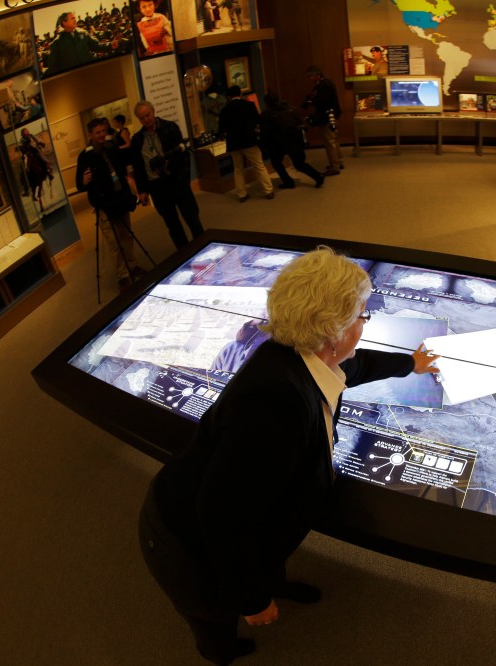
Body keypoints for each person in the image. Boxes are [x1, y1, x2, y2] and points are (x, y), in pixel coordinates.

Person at [138, 246, 441, 665]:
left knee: (260, 552)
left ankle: (267, 580)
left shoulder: (297, 351)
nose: (364, 324)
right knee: (212, 616)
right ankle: (219, 647)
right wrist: (251, 600)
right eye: (361, 316)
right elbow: (223, 518)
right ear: (334, 332)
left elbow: (351, 367)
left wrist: (409, 364)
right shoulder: (273, 407)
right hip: (184, 543)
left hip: (231, 523)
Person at [76, 117, 143, 292]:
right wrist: (83, 181)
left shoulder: (112, 147)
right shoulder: (85, 156)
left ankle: (132, 266)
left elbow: (123, 169)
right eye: (97, 132)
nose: (101, 135)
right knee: (113, 242)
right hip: (104, 204)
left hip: (120, 198)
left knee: (126, 236)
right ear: (90, 134)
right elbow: (79, 184)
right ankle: (122, 275)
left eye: (103, 131)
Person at [130, 100, 204, 247]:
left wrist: (171, 164)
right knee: (172, 223)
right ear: (138, 119)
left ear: (153, 112)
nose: (146, 119)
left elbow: (183, 155)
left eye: (148, 115)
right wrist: (142, 190)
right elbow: (138, 167)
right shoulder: (137, 140)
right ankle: (184, 253)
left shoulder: (170, 128)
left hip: (176, 180)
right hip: (157, 187)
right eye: (142, 118)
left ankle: (203, 246)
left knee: (191, 217)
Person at [219, 85, 273, 202]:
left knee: (238, 169)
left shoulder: (225, 109)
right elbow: (258, 121)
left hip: (234, 143)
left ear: (228, 97)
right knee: (259, 165)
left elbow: (221, 129)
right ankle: (268, 190)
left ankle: (242, 194)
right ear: (240, 94)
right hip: (249, 140)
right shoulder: (249, 105)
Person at [260, 93, 324, 189]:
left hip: (278, 143)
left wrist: (263, 143)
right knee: (299, 164)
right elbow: (300, 122)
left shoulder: (266, 113)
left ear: (266, 103)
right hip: (294, 139)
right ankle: (318, 176)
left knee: (276, 162)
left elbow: (265, 130)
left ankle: (288, 182)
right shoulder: (290, 108)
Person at [46, 11, 119, 74]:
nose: (75, 20)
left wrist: (110, 45)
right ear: (64, 23)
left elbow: (97, 46)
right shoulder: (57, 43)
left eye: (75, 18)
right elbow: (53, 67)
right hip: (72, 79)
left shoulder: (83, 33)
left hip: (89, 72)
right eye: (72, 18)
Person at [303, 65, 343, 176]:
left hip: (326, 116)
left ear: (316, 75)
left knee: (329, 141)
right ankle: (339, 162)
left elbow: (323, 101)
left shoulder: (323, 85)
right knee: (334, 139)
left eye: (310, 76)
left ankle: (334, 167)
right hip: (332, 114)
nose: (310, 79)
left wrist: (312, 101)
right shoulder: (326, 83)